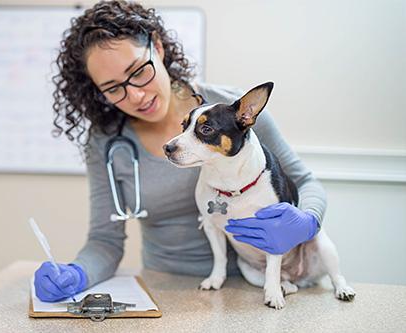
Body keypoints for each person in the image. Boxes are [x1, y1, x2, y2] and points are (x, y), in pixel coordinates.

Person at [34, 0, 325, 302]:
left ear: (157, 48)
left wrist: (307, 222)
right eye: (113, 88)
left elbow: (304, 182)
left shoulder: (234, 111)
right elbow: (105, 241)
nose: (135, 94)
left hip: (254, 282)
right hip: (163, 288)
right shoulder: (105, 141)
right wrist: (77, 273)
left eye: (138, 71)